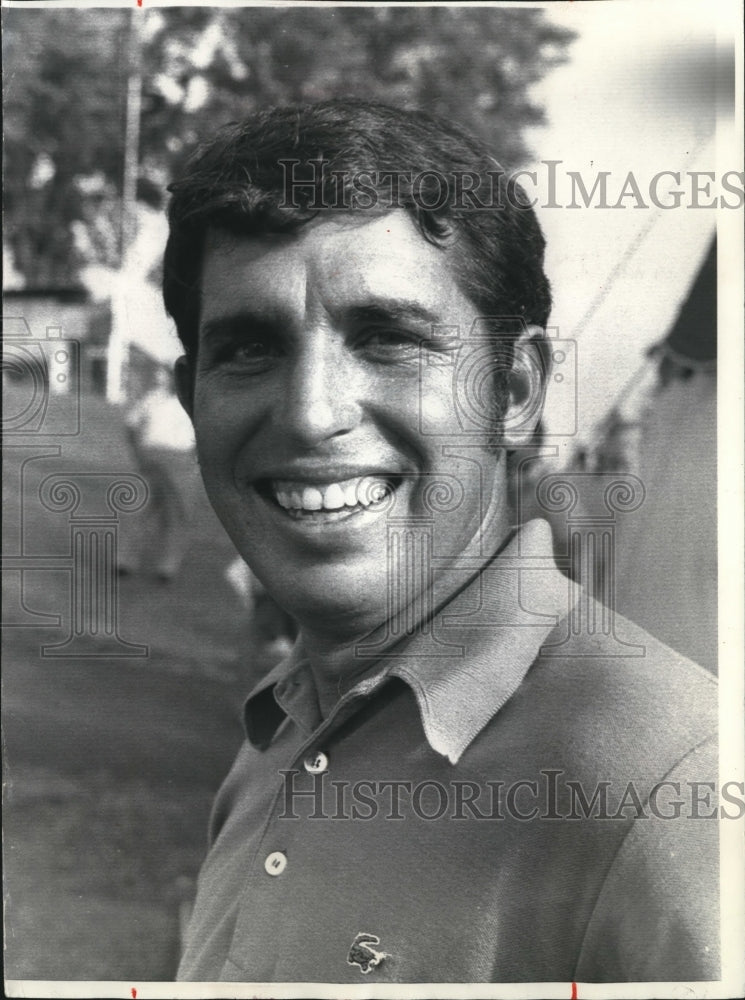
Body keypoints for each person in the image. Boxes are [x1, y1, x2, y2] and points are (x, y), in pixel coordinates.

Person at [163, 101, 718, 983]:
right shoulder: (284, 728)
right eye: (249, 349)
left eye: (388, 340)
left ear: (516, 390)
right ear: (191, 397)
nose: (310, 414)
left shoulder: (669, 788)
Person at [122, 365, 197, 581]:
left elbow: (130, 424)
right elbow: (131, 424)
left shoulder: (183, 401)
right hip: (163, 459)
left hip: (168, 458)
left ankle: (153, 564)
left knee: (164, 511)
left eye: (164, 376)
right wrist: (138, 453)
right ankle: (137, 562)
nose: (160, 379)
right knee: (158, 511)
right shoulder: (159, 398)